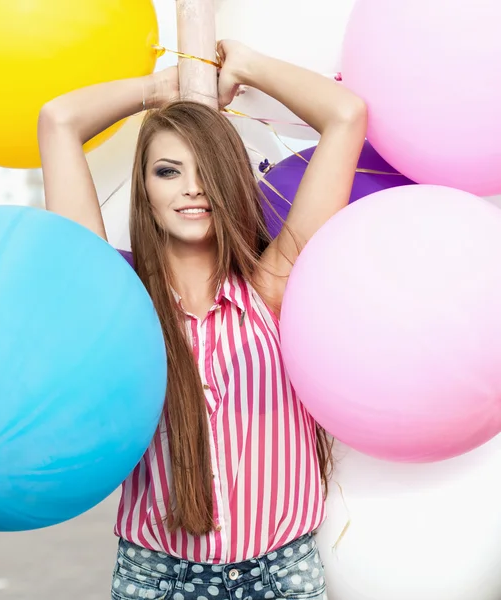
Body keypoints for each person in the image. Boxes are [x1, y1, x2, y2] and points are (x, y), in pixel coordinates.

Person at [38, 39, 366, 600]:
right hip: (158, 576)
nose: (191, 188)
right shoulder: (121, 305)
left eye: (206, 170)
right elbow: (58, 119)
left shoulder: (275, 289)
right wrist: (157, 91)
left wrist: (244, 66)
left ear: (231, 179)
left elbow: (345, 115)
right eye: (168, 171)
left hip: (281, 575)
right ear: (145, 188)